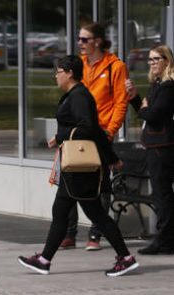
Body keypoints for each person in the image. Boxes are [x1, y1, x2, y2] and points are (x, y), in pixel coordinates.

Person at [18, 55, 139, 277]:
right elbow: (93, 129)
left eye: (58, 71)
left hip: (81, 168)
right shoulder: (75, 95)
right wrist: (111, 157)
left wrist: (59, 136)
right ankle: (44, 259)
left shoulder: (79, 96)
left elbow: (89, 128)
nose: (55, 75)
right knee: (63, 211)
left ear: (69, 72)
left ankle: (126, 257)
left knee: (96, 215)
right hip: (74, 168)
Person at [60, 22, 129, 251]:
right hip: (78, 133)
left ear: (97, 41)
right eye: (79, 39)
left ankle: (95, 234)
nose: (80, 43)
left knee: (100, 182)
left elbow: (120, 102)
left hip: (100, 133)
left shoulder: (114, 66)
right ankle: (68, 233)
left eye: (84, 39)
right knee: (68, 177)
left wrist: (110, 130)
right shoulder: (80, 66)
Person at [125, 44, 174, 255]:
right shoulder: (157, 85)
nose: (152, 63)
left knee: (163, 195)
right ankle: (166, 239)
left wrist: (145, 108)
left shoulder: (169, 86)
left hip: (162, 147)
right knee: (162, 195)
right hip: (155, 145)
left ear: (167, 60)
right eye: (150, 60)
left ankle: (164, 241)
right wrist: (136, 98)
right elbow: (146, 113)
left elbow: (154, 116)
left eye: (156, 59)